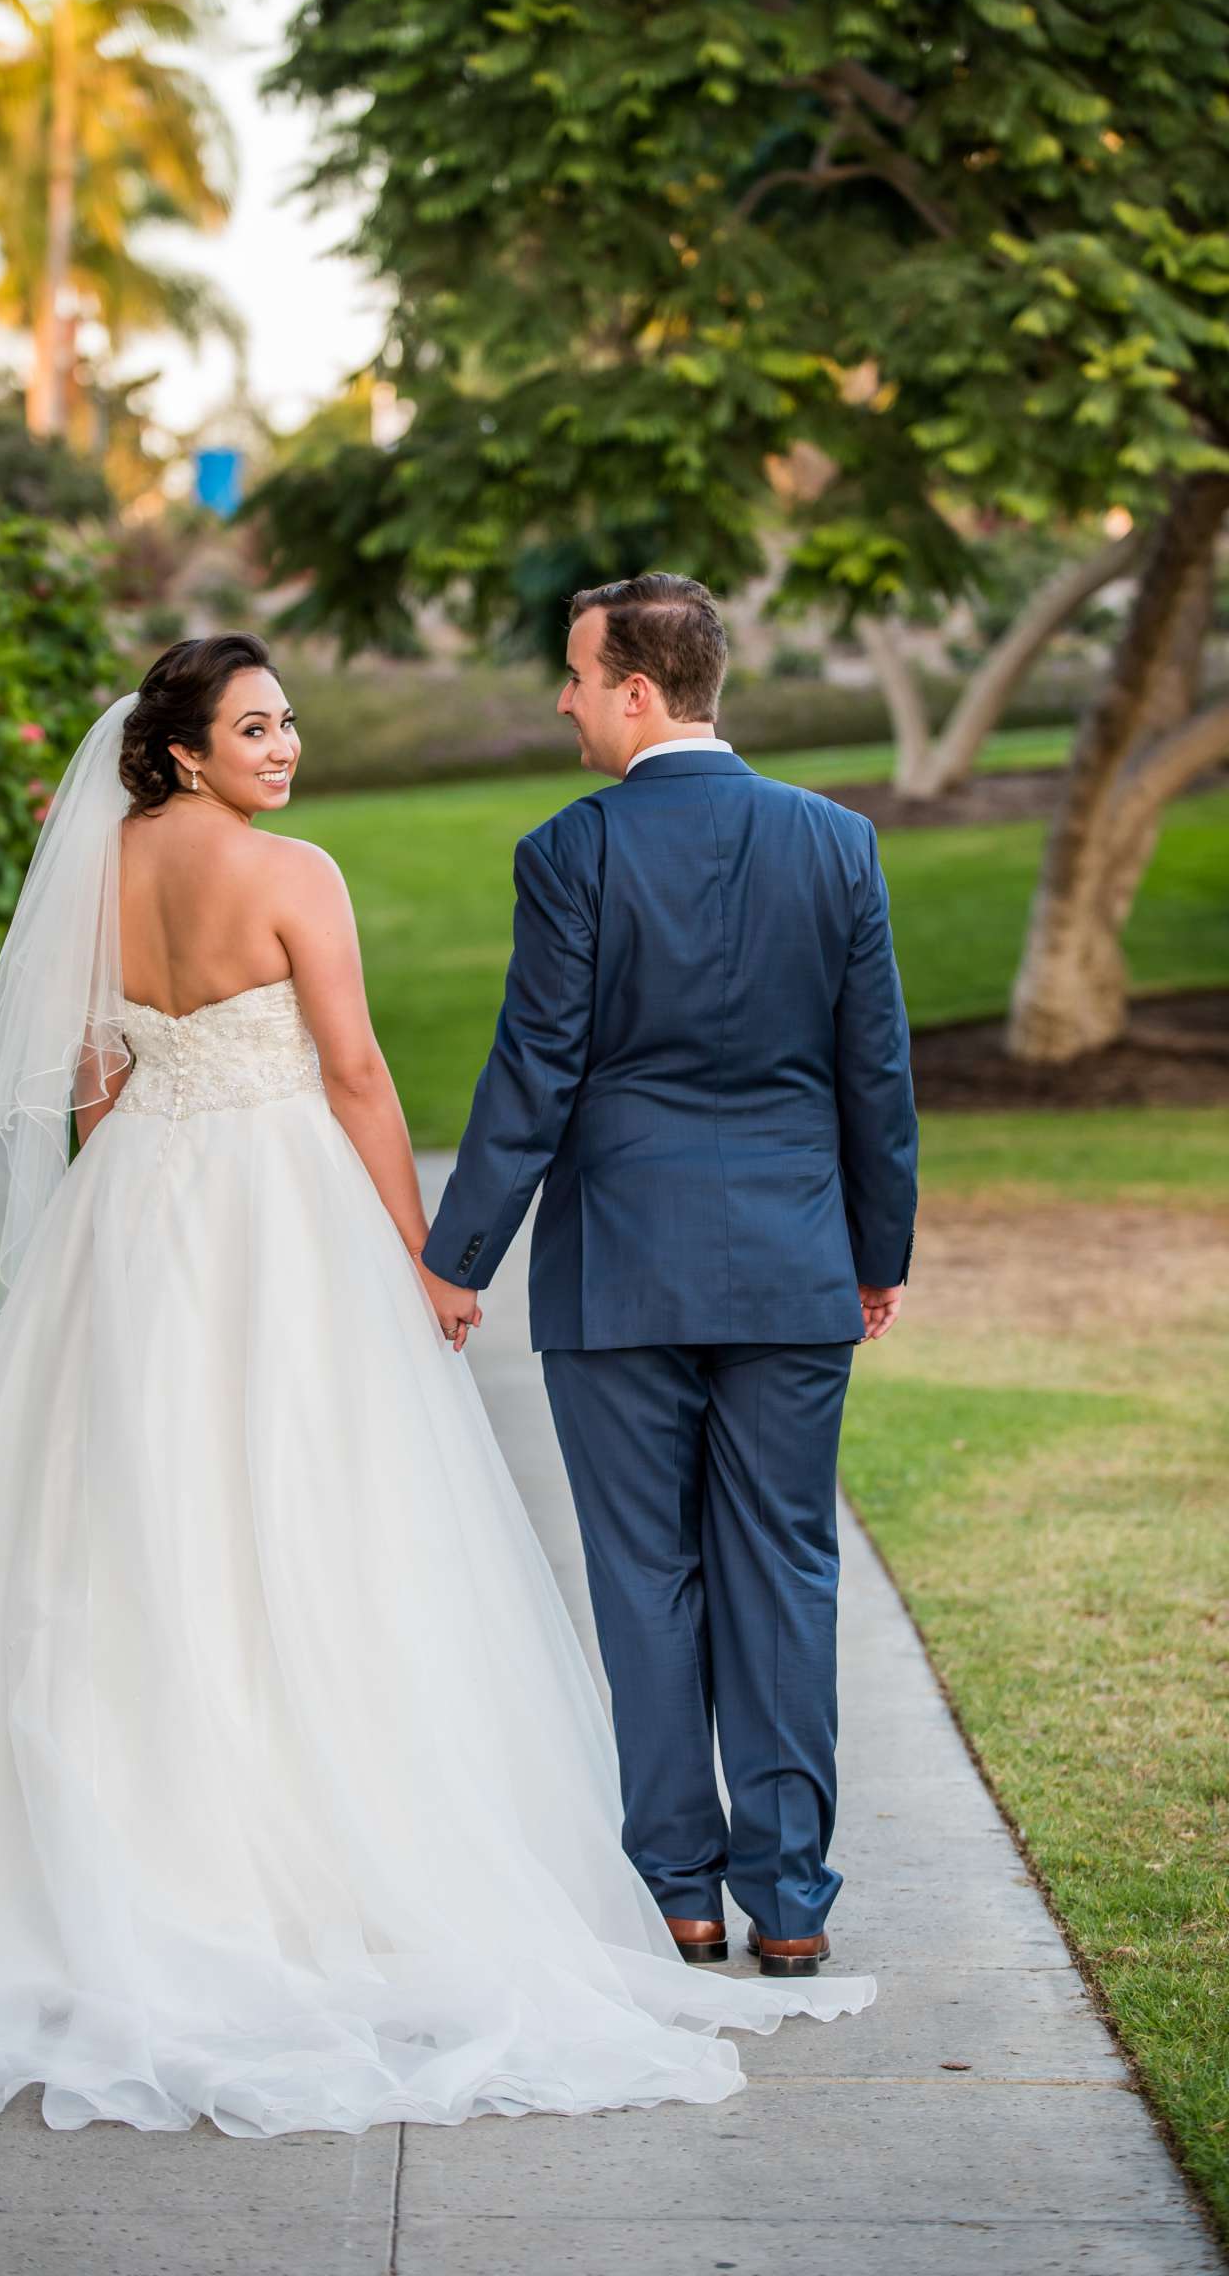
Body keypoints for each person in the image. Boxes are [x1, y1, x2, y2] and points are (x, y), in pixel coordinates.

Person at [0, 630, 874, 2142]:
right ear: (185, 747)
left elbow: (90, 1086)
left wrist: (125, 1216)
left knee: (124, 1539)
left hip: (134, 1221)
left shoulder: (93, 866)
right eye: (256, 728)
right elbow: (353, 1073)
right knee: (311, 1523)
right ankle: (411, 1874)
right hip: (281, 1216)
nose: (285, 748)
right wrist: (423, 1252)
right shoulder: (300, 877)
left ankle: (122, 1868)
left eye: (290, 725)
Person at [420, 572, 919, 1980]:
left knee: (645, 1578)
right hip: (789, 1267)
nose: (563, 699)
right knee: (787, 1570)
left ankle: (678, 1892)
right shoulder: (838, 845)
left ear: (640, 690)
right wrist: (875, 1255)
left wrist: (458, 1259)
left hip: (621, 1275)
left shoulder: (571, 851)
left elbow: (535, 1071)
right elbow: (872, 1078)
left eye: (577, 675)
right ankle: (794, 1900)